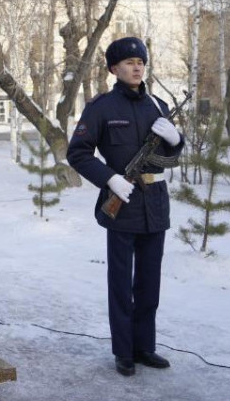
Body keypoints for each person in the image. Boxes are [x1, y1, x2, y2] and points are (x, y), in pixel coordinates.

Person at [66, 37, 184, 377]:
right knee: (121, 283)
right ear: (114, 69)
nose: (137, 67)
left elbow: (172, 155)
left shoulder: (158, 106)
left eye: (141, 62)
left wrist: (177, 140)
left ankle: (145, 346)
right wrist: (109, 179)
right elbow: (78, 153)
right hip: (121, 205)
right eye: (130, 62)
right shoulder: (101, 108)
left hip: (155, 207)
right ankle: (123, 351)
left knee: (150, 283)